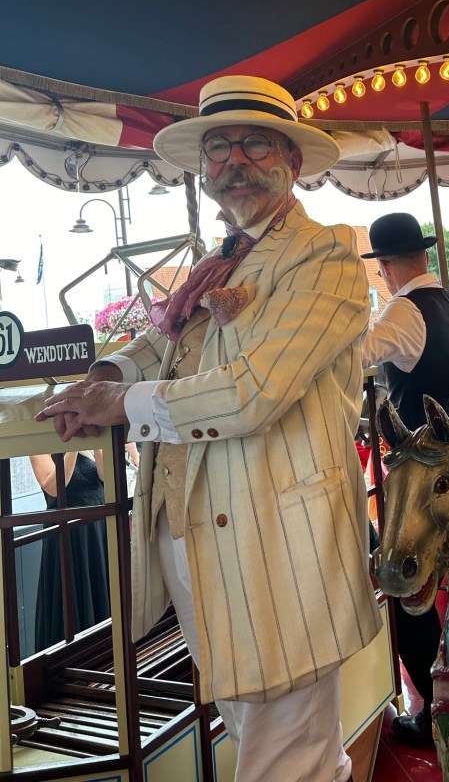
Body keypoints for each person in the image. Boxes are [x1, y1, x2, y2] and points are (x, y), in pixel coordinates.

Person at [36, 75, 381, 782]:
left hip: (279, 546)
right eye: (219, 148)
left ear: (293, 161)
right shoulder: (220, 262)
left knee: (283, 761)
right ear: (204, 167)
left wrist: (120, 406)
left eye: (255, 144)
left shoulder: (324, 257)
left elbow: (254, 391)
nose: (235, 161)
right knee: (271, 738)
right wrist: (103, 377)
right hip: (202, 542)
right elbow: (162, 346)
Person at [361, 212, 449, 748]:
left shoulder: (405, 310)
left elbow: (360, 353)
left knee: (402, 580)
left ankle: (435, 708)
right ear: (425, 256)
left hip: (429, 471)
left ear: (385, 268)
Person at [29, 449, 110, 651]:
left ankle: (106, 648)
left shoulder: (89, 444)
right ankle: (74, 653)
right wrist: (72, 448)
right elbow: (54, 487)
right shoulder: (39, 447)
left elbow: (107, 478)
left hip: (96, 530)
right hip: (67, 534)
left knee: (101, 591)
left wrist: (96, 446)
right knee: (69, 597)